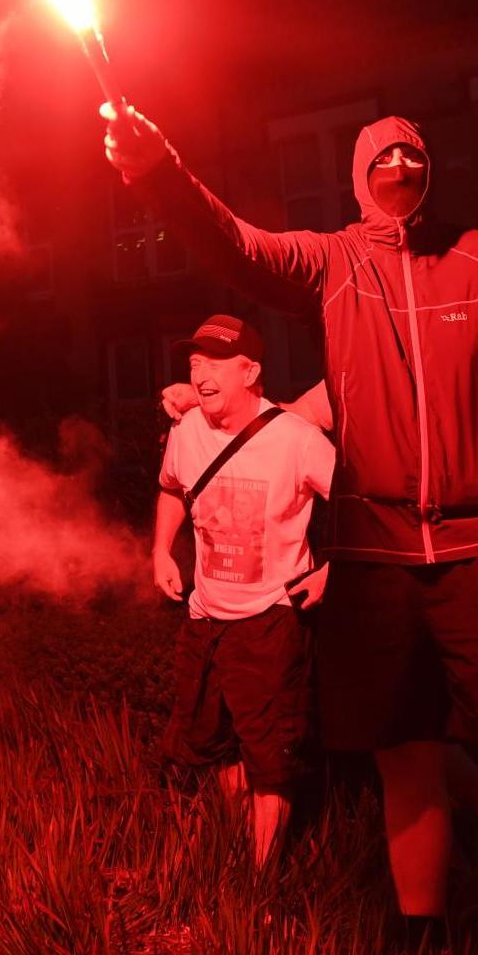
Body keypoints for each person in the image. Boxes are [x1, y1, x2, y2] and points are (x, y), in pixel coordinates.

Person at [102, 103, 478, 941]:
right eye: (379, 156)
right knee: (404, 748)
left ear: (430, 167)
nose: (396, 165)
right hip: (377, 553)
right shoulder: (335, 263)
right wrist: (161, 170)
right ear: (358, 178)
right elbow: (238, 243)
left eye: (410, 152)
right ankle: (421, 933)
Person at [153, 314, 336, 868]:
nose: (200, 373)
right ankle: (233, 847)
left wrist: (333, 569)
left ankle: (259, 877)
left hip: (271, 616)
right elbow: (169, 490)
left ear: (251, 371)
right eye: (194, 362)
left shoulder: (297, 439)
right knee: (212, 741)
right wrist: (161, 549)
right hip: (206, 615)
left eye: (214, 362)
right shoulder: (187, 431)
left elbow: (360, 507)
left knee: (270, 752)